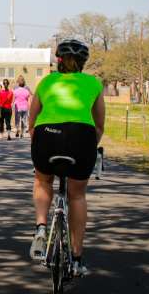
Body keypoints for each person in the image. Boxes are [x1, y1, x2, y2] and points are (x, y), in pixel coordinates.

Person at [28, 39, 106, 278]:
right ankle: (77, 258)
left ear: (58, 61)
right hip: (81, 137)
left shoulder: (47, 81)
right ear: (83, 63)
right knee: (77, 194)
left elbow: (32, 121)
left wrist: (38, 142)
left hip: (47, 135)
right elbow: (100, 125)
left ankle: (41, 228)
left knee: (42, 181)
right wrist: (90, 146)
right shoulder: (93, 83)